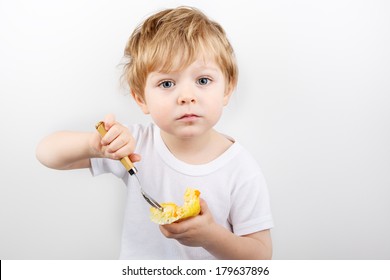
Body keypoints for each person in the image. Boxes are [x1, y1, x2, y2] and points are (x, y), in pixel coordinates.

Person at [36, 6, 274, 259]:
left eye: (203, 80)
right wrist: (94, 146)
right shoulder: (132, 145)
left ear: (227, 89)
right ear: (141, 99)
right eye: (167, 83)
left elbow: (260, 256)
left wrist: (210, 237)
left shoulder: (240, 169)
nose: (187, 97)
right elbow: (46, 153)